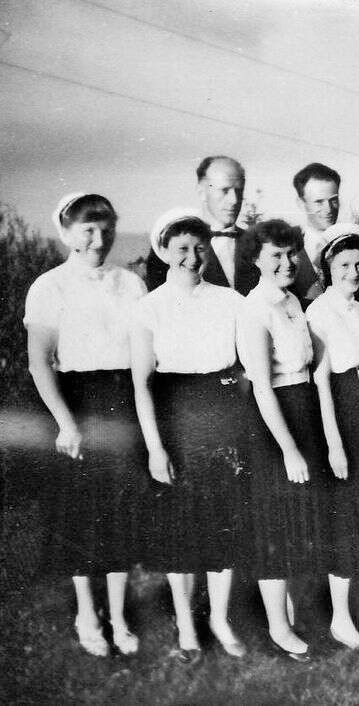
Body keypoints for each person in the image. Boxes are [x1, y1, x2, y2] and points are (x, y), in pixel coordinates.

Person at [25, 193, 148, 657]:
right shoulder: (49, 286)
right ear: (66, 232)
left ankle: (117, 615)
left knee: (120, 511)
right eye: (88, 229)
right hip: (75, 403)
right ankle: (86, 614)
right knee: (79, 513)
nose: (99, 238)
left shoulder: (130, 283)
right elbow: (39, 363)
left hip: (122, 401)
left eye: (106, 227)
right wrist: (65, 423)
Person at [130, 209, 250, 663]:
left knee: (224, 523)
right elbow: (142, 384)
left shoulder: (230, 300)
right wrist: (155, 448)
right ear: (163, 251)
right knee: (180, 527)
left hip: (223, 415)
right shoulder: (148, 307)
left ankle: (219, 618)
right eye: (181, 248)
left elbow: (246, 367)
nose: (192, 257)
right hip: (174, 417)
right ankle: (186, 625)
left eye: (200, 247)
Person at [237, 219, 336, 661]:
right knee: (276, 526)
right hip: (274, 423)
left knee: (299, 521)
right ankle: (278, 626)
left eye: (292, 252)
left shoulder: (293, 300)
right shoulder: (255, 308)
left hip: (303, 409)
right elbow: (261, 386)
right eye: (276, 255)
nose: (287, 262)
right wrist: (289, 449)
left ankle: (293, 613)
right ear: (256, 260)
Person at [306, 223, 359, 647]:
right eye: (343, 265)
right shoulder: (319, 312)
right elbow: (321, 380)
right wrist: (334, 443)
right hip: (341, 411)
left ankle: (356, 614)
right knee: (347, 520)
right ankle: (340, 619)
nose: (353, 272)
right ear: (327, 268)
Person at [145, 155, 258, 294]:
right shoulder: (170, 246)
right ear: (202, 192)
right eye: (224, 190)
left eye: (239, 191)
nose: (234, 200)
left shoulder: (257, 244)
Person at [291, 161, 341, 304]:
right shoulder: (290, 250)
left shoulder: (354, 246)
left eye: (333, 200)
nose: (328, 209)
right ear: (301, 204)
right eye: (319, 202)